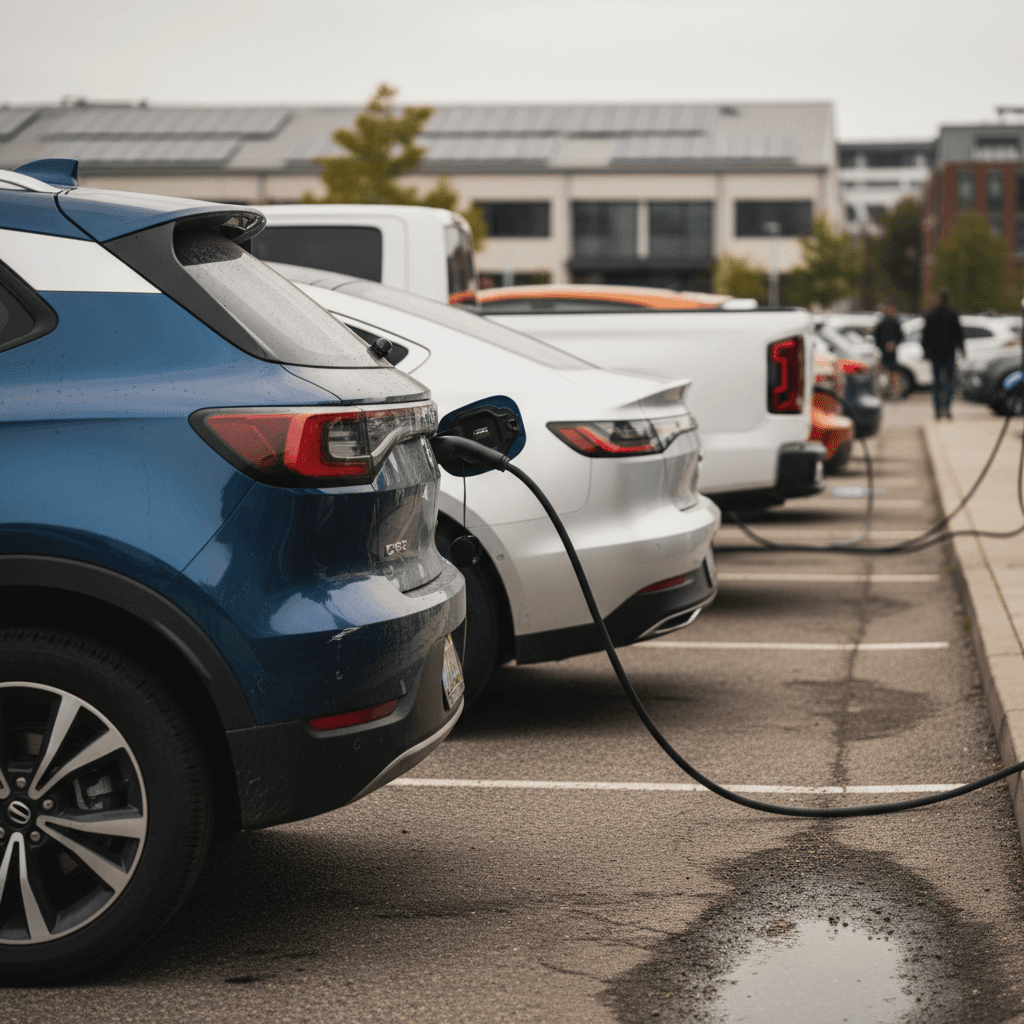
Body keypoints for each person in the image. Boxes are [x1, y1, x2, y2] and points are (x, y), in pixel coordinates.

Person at [920, 289, 964, 419]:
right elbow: (959, 335)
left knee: (937, 383)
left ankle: (938, 410)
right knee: (950, 381)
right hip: (949, 353)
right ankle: (947, 407)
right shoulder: (952, 314)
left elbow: (925, 335)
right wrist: (962, 350)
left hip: (935, 354)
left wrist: (926, 351)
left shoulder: (932, 314)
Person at [872, 304, 904, 398]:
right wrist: (884, 345)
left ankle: (895, 393)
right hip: (884, 352)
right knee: (882, 373)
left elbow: (900, 336)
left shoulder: (896, 323)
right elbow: (876, 338)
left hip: (893, 353)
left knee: (894, 374)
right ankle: (882, 392)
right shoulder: (881, 324)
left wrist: (894, 344)